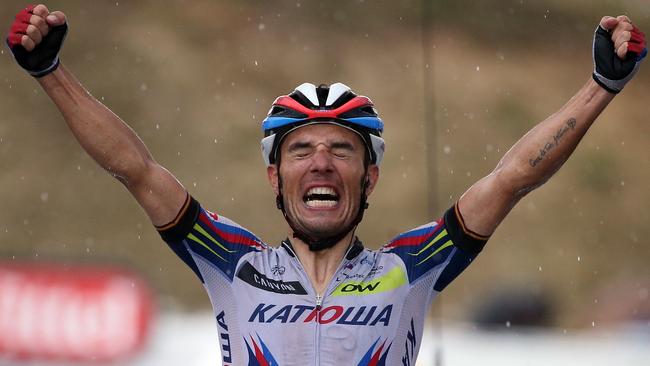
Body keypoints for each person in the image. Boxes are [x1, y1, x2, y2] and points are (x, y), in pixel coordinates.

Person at [6, 4, 646, 365]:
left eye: (342, 150)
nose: (320, 163)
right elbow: (134, 168)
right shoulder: (232, 261)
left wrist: (601, 86)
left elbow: (511, 179)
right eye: (301, 151)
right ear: (273, 176)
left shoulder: (409, 267)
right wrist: (50, 71)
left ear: (368, 177)